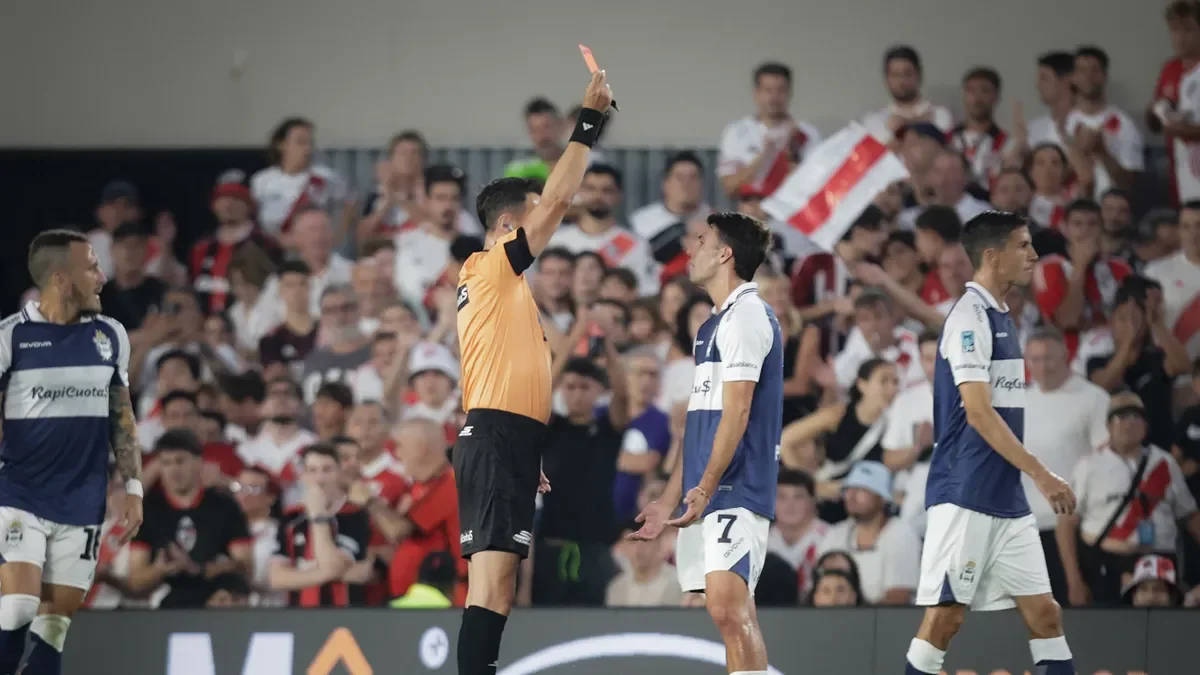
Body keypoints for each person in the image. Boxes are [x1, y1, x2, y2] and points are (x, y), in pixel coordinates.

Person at [451, 70, 611, 675]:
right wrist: (589, 123)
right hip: (494, 438)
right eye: (533, 211)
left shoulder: (506, 290)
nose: (547, 215)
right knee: (489, 585)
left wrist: (526, 443)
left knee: (501, 589)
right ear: (506, 225)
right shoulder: (492, 265)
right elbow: (562, 199)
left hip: (510, 439)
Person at [905, 211, 1077, 675]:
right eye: (1023, 245)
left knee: (1046, 615)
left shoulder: (1000, 316)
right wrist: (1041, 473)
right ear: (991, 255)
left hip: (1004, 496)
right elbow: (979, 413)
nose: (1034, 255)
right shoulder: (969, 318)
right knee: (944, 621)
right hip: (965, 493)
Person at [630, 211, 780, 675]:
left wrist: (706, 485)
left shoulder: (747, 316)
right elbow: (701, 425)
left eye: (700, 240)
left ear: (725, 253)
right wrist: (668, 498)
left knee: (729, 609)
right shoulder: (711, 327)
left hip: (736, 485)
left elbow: (737, 413)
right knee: (730, 612)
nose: (690, 250)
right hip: (709, 490)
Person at [0, 229, 143, 675]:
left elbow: (122, 415)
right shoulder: (11, 338)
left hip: (82, 502)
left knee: (53, 628)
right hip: (20, 493)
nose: (103, 276)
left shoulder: (111, 336)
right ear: (61, 279)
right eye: (92, 267)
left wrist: (133, 485)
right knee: (20, 606)